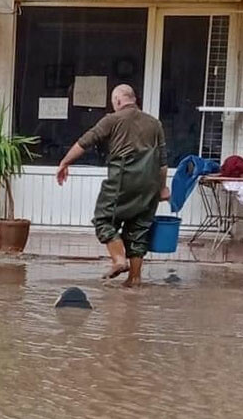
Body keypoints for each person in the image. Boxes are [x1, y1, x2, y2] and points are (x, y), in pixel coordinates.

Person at [56, 85, 170, 287]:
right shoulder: (155, 123)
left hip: (122, 180)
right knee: (139, 230)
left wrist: (65, 162)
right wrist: (162, 188)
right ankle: (134, 280)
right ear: (134, 100)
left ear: (118, 101)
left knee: (103, 219)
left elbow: (85, 142)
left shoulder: (113, 119)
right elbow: (163, 162)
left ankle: (118, 260)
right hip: (150, 185)